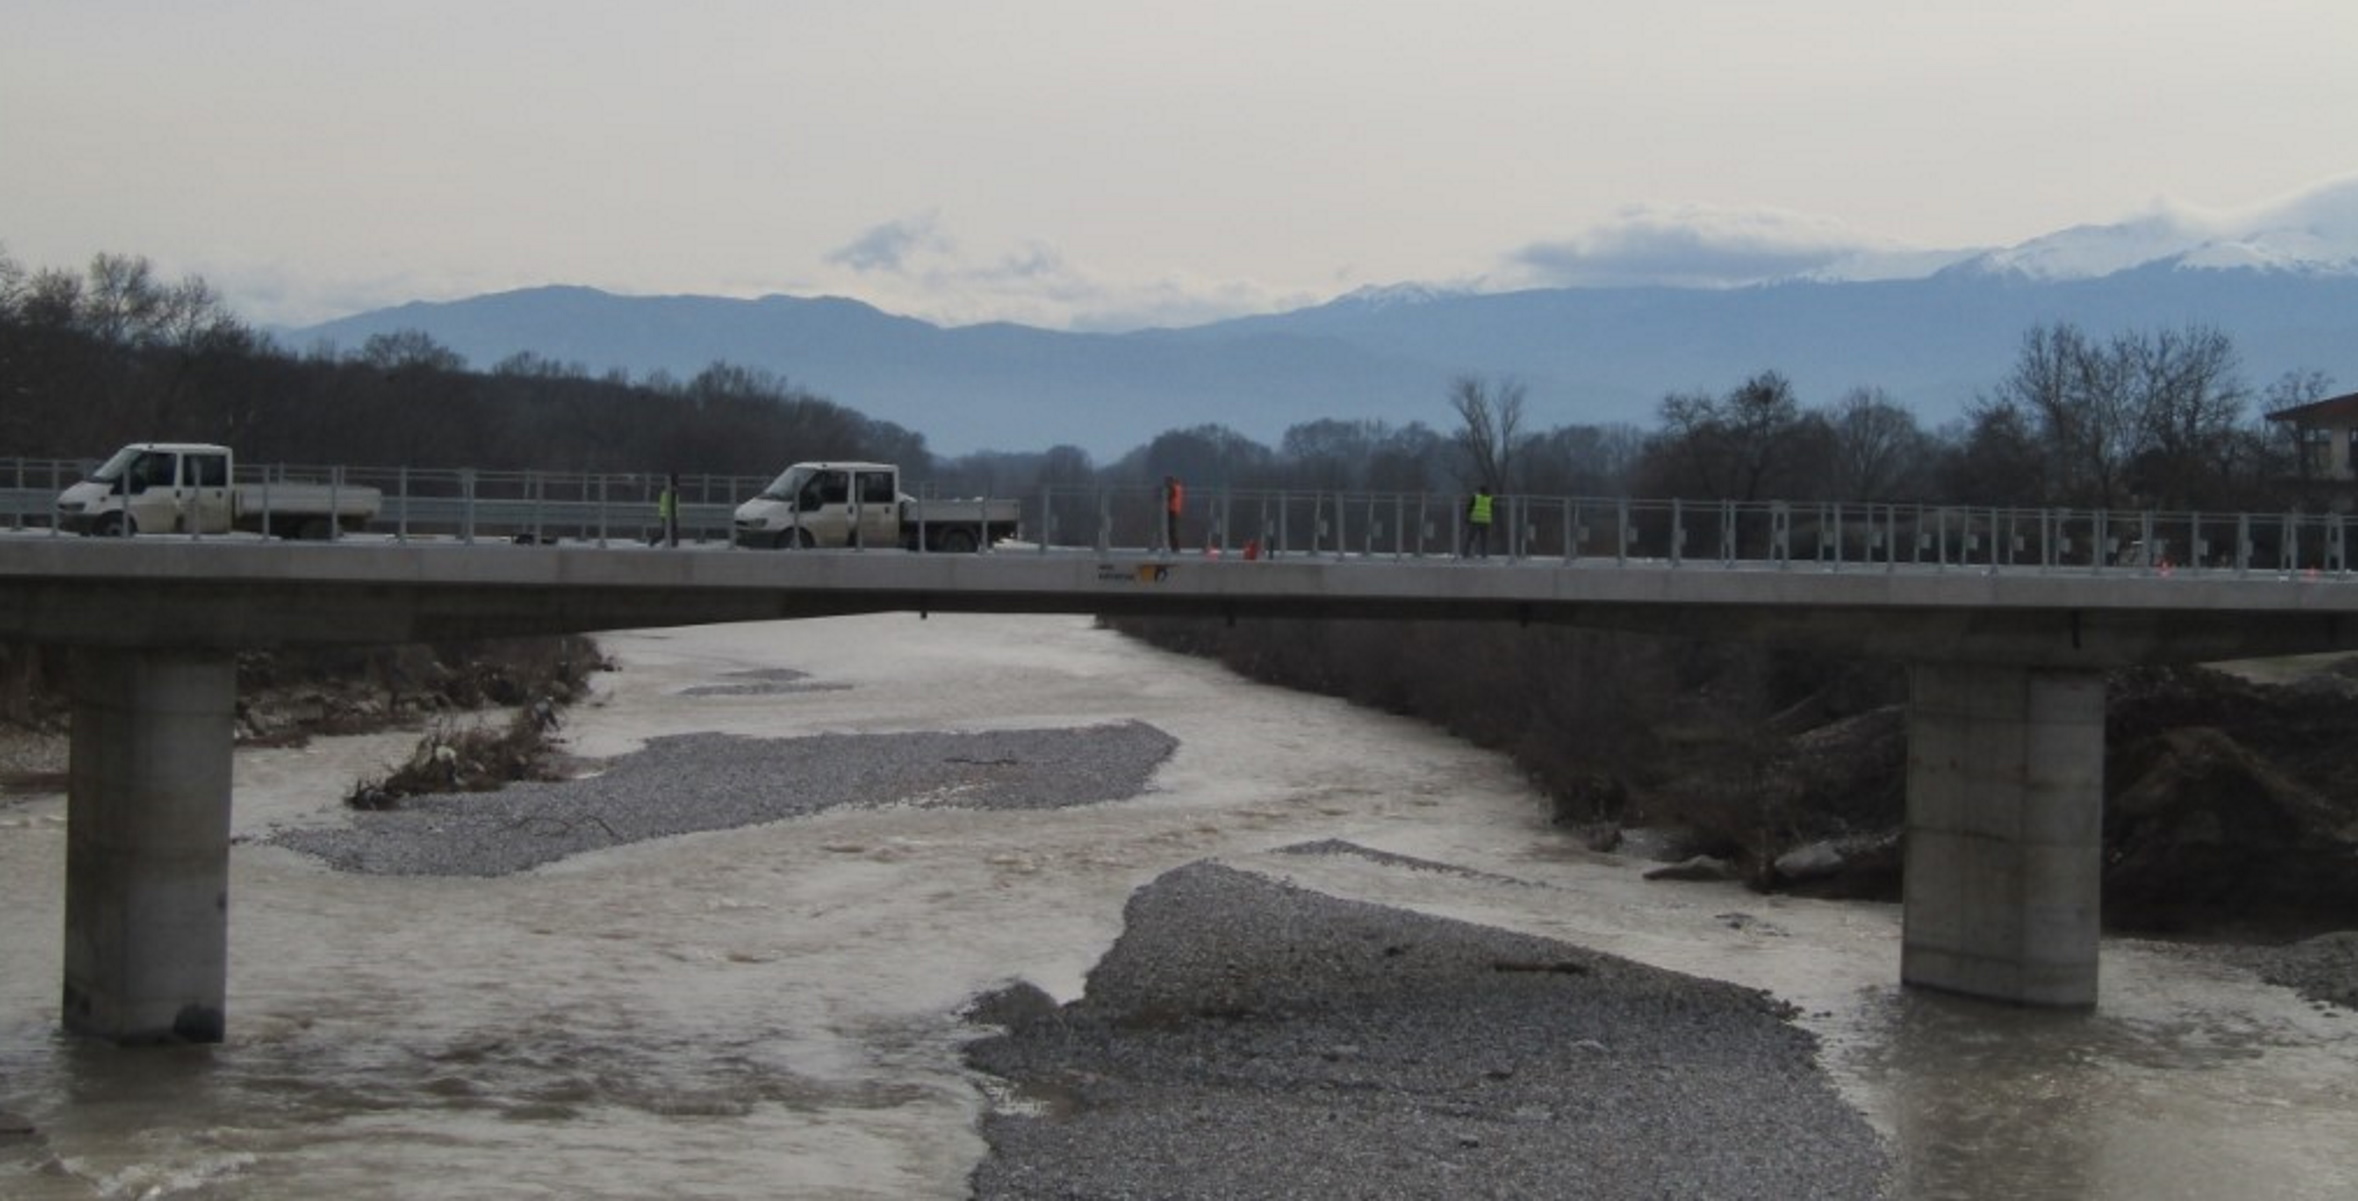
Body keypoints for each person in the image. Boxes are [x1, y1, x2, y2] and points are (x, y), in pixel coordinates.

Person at [1465, 484, 1495, 559]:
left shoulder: (1476, 497)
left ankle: (1465, 553)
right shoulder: (1490, 498)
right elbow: (1492, 509)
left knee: (1470, 538)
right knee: (1484, 539)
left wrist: (1467, 517)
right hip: (1486, 520)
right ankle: (1484, 554)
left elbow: (1469, 507)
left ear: (1480, 491)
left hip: (1475, 520)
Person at [1162, 475, 1185, 552]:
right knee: (1172, 529)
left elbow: (1169, 496)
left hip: (1172, 509)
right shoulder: (1178, 487)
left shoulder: (1173, 488)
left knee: (1171, 529)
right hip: (1175, 509)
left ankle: (1175, 547)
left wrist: (1164, 492)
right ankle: (1174, 547)